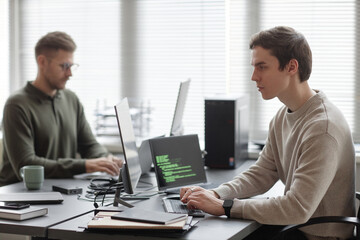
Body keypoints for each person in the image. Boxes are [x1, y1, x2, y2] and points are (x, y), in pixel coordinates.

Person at [180, 26, 355, 240]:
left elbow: (297, 208)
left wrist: (225, 206)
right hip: (298, 228)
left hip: (317, 236)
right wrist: (216, 194)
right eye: (254, 67)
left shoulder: (322, 128)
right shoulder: (283, 117)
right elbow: (262, 173)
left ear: (291, 67)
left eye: (262, 67)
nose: (254, 77)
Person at [0, 31, 123, 186]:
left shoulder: (71, 99)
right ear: (42, 61)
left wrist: (106, 159)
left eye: (71, 66)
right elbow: (26, 164)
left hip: (62, 190)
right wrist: (84, 165)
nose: (70, 73)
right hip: (21, 197)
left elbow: (89, 145)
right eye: (64, 66)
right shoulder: (16, 105)